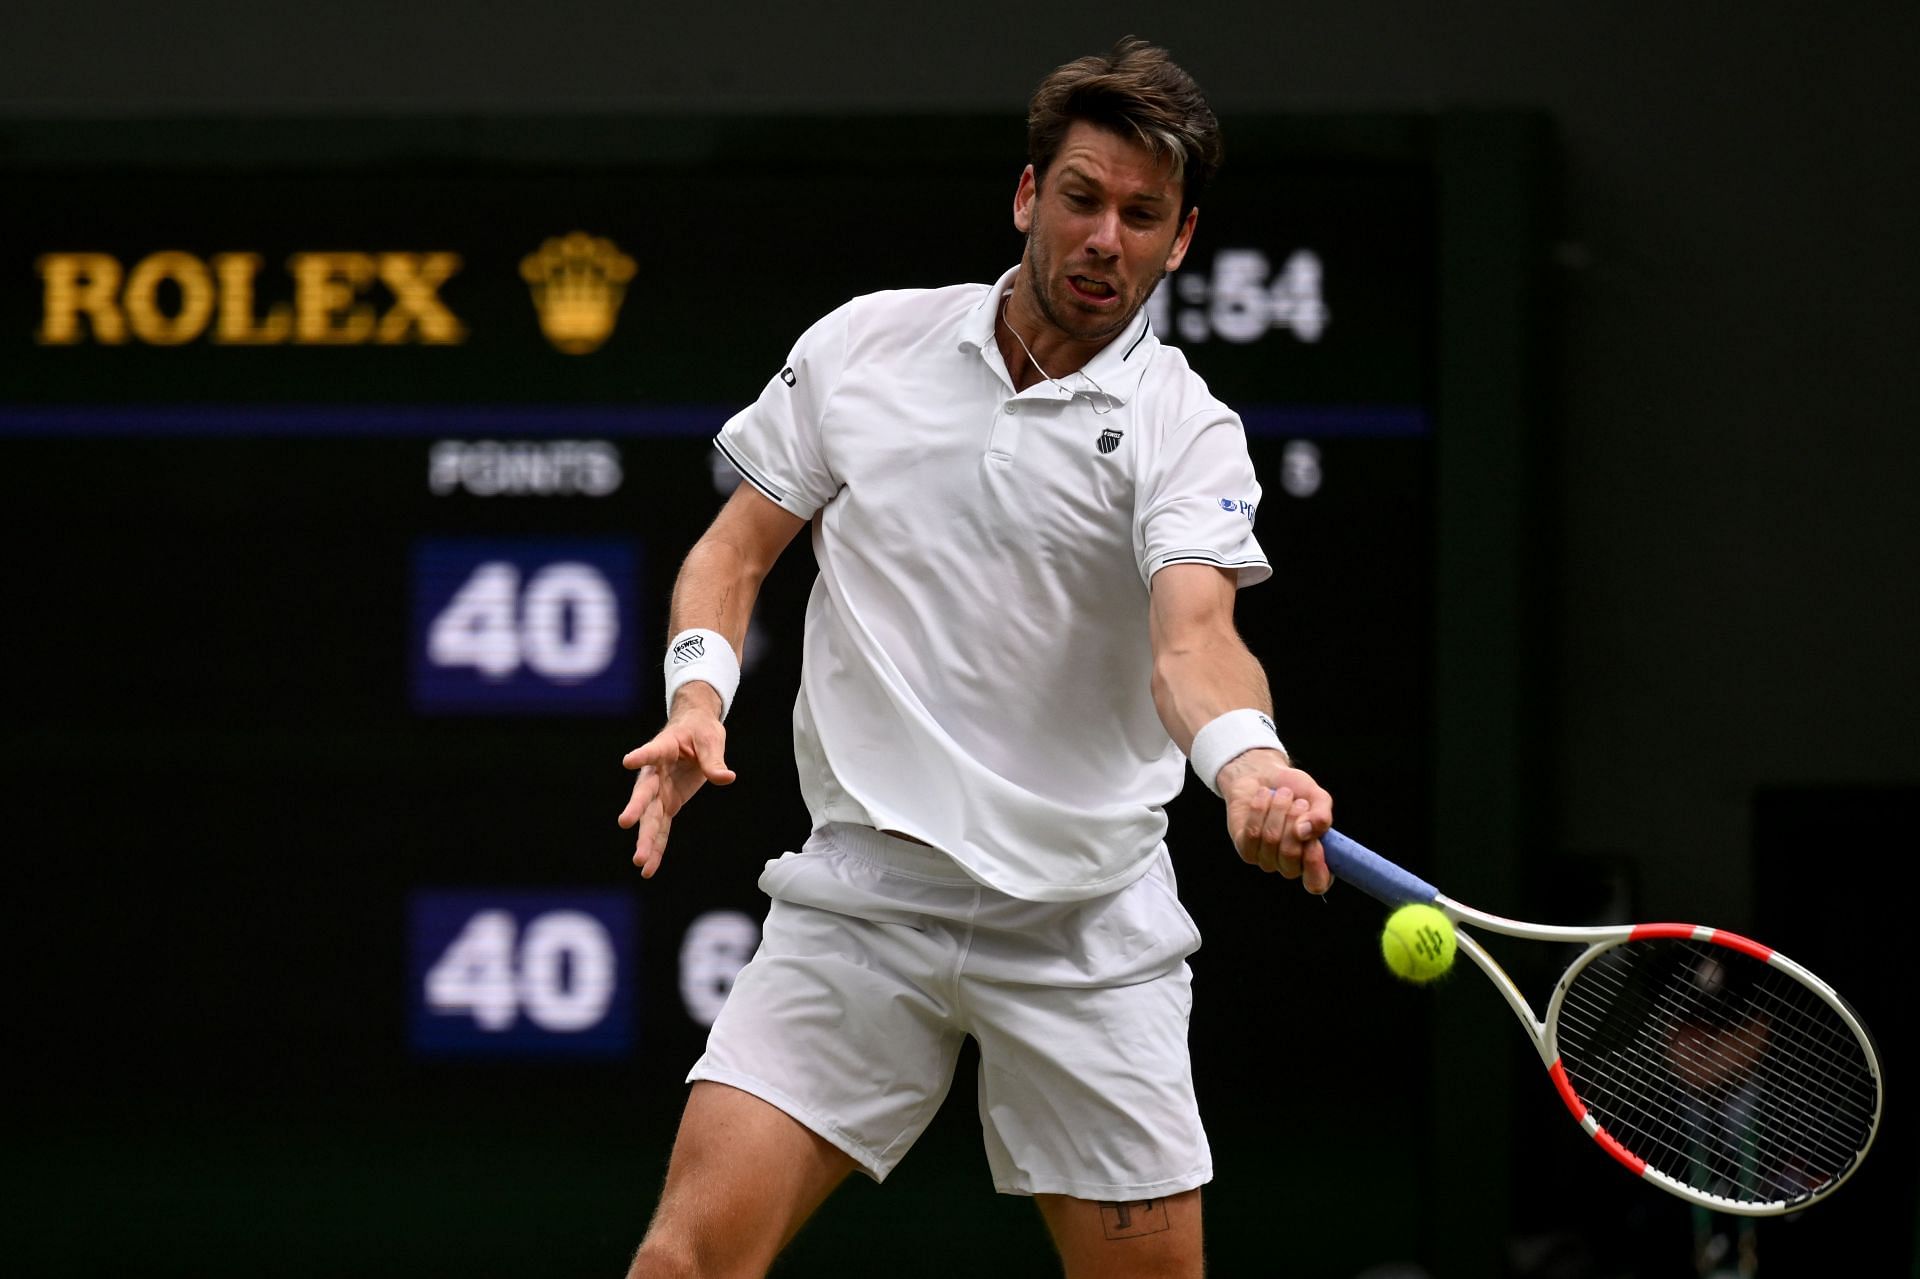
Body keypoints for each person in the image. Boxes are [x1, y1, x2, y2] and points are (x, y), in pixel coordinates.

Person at [617, 37, 1334, 1278]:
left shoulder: (1187, 431)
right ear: (1026, 198)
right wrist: (699, 696)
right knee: (685, 1262)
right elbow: (731, 557)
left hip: (1083, 919)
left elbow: (1195, 641)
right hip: (864, 897)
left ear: (1180, 239)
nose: (1106, 237)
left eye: (1142, 215)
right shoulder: (863, 349)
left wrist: (1251, 767)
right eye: (1082, 199)